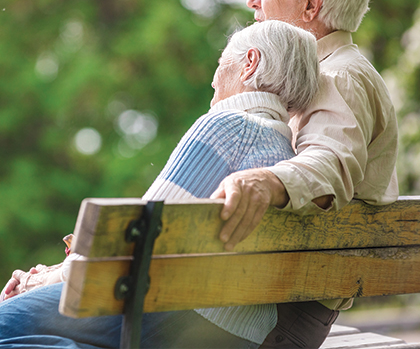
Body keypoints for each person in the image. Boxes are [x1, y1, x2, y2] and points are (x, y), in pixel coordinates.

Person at [0, 20, 321, 348]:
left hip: (175, 314)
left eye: (221, 61)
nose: (213, 78)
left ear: (249, 63)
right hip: (242, 333)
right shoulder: (286, 155)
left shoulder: (230, 125)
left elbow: (134, 245)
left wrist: (41, 280)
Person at [209, 0, 398, 348]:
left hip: (282, 314)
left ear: (310, 4)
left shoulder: (337, 76)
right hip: (274, 296)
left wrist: (266, 182)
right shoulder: (319, 74)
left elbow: (330, 163)